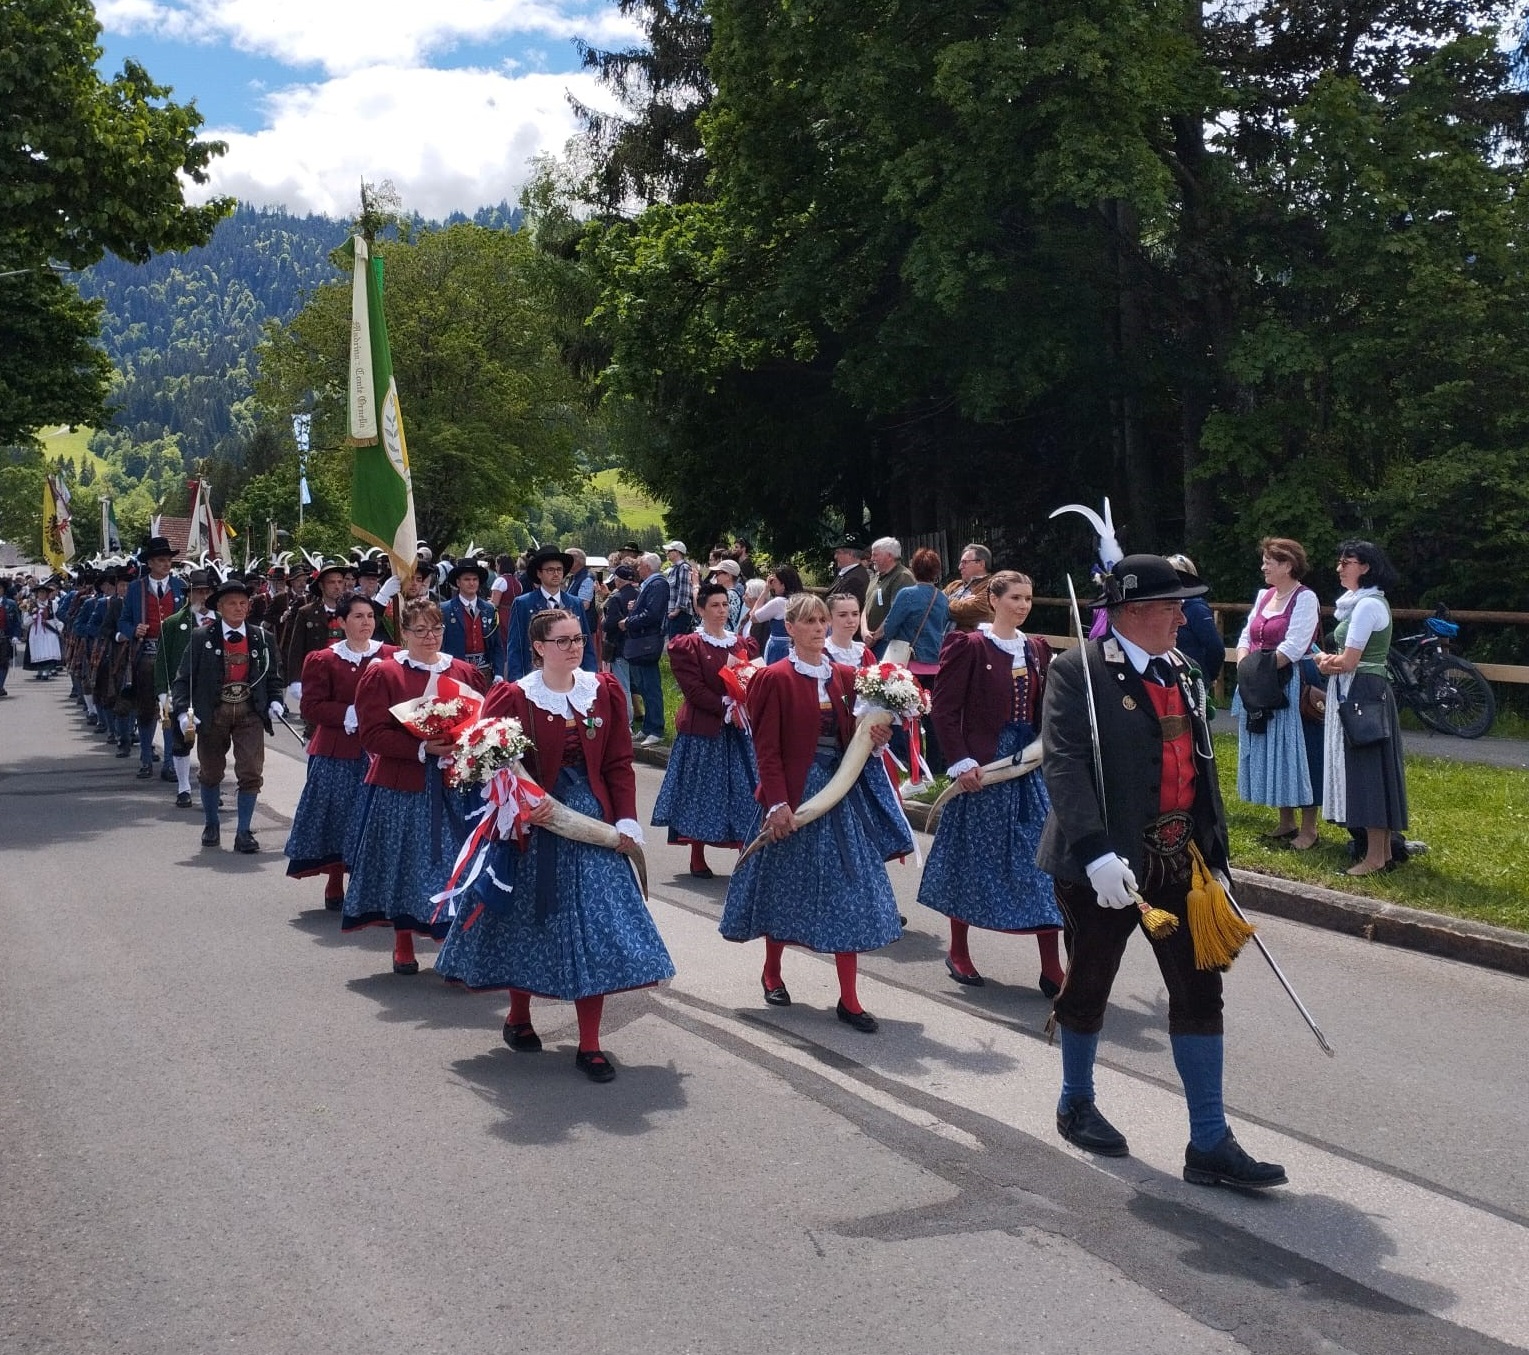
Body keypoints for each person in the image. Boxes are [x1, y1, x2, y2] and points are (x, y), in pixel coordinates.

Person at [1037, 553, 1287, 1189]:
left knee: (1202, 990)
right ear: (1133, 612)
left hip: (1181, 862)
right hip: (1103, 861)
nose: (1184, 615)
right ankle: (1076, 1101)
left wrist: (1219, 857)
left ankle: (1209, 1140)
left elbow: (1200, 769)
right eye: (1173, 604)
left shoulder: (1185, 671)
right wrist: (1093, 851)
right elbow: (1064, 766)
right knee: (1090, 980)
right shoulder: (1078, 671)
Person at [435, 608, 674, 1083]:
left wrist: (625, 817)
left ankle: (590, 1043)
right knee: (527, 922)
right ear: (539, 647)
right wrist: (522, 805)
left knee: (596, 925)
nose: (573, 647)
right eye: (562, 640)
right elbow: (491, 764)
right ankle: (518, 1015)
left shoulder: (602, 690)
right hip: (534, 821)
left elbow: (619, 761)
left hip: (592, 821)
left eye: (578, 638)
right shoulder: (512, 696)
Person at [719, 593, 912, 1033]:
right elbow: (765, 748)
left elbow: (855, 740)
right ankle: (772, 971)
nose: (818, 627)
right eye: (808, 621)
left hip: (839, 794)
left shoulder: (846, 676)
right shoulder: (774, 677)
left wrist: (876, 735)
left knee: (850, 890)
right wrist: (777, 803)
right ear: (790, 627)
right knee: (785, 887)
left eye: (822, 620)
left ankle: (849, 998)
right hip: (794, 796)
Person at [919, 571, 1065, 995]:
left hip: (1027, 768)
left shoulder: (1036, 648)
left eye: (1028, 599)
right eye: (1016, 597)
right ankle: (959, 950)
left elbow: (1045, 709)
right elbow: (943, 711)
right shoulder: (969, 645)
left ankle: (1051, 966)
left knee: (1043, 865)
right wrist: (962, 761)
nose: (1023, 605)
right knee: (972, 858)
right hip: (983, 766)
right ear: (994, 599)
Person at [343, 598, 490, 973]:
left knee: (460, 863)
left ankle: (454, 943)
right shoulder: (384, 674)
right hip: (404, 787)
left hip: (456, 785)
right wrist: (421, 746)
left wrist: (467, 744)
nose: (430, 637)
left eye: (436, 629)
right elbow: (372, 734)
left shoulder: (463, 672)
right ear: (404, 634)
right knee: (406, 863)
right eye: (420, 630)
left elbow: (483, 721)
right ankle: (403, 940)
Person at [283, 592, 397, 909]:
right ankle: (335, 880)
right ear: (342, 621)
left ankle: (369, 888)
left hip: (381, 752)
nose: (366, 623)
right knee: (338, 819)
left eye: (370, 617)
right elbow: (311, 706)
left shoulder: (391, 656)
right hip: (339, 753)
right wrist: (351, 714)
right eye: (358, 617)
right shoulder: (324, 660)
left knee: (377, 821)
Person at [652, 582, 761, 878]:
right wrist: (726, 706)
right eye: (715, 605)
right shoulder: (688, 645)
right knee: (702, 793)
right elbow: (694, 690)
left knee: (745, 791)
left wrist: (745, 703)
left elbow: (748, 677)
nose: (722, 611)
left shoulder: (740, 643)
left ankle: (746, 852)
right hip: (704, 730)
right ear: (700, 609)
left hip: (738, 730)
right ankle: (696, 854)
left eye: (725, 605)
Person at [171, 576, 286, 854]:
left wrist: (275, 700)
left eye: (243, 603)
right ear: (219, 607)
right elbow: (184, 678)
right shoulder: (201, 638)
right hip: (214, 712)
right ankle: (211, 823)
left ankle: (244, 831)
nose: (238, 608)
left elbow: (273, 675)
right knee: (210, 772)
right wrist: (183, 711)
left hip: (249, 712)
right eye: (232, 603)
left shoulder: (261, 637)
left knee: (250, 771)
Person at [1314, 541, 1409, 876]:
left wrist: (1326, 663)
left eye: (1347, 562)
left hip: (1363, 690)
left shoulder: (1368, 605)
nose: (1340, 567)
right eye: (1340, 561)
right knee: (1370, 770)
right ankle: (1379, 855)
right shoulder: (1363, 603)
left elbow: (1350, 660)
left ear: (1365, 567)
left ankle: (1374, 857)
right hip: (1362, 688)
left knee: (1368, 771)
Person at [1230, 539, 1322, 850]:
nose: (1264, 566)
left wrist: (1258, 669)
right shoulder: (1264, 596)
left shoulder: (1306, 598)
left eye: (1270, 561)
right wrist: (1245, 665)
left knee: (1299, 750)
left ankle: (1309, 829)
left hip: (1291, 683)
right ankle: (1286, 821)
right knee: (1272, 748)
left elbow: (1295, 646)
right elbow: (1247, 634)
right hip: (1259, 678)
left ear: (1288, 565)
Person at [116, 537, 187, 778]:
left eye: (168, 560)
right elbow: (123, 621)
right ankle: (146, 758)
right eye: (161, 560)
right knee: (146, 710)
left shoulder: (180, 587)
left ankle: (169, 762)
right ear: (150, 563)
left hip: (174, 655)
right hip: (146, 654)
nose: (166, 564)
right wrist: (134, 629)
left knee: (170, 709)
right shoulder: (137, 588)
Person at [879, 547, 950, 770]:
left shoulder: (907, 595)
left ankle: (907, 762)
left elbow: (890, 627)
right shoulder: (942, 598)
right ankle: (935, 765)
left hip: (910, 664)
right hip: (935, 665)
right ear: (937, 571)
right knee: (932, 718)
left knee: (903, 716)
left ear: (913, 568)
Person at [154, 569, 216, 807]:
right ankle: (183, 787)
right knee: (181, 740)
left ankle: (212, 786)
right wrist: (163, 693)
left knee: (213, 741)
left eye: (206, 591)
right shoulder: (172, 623)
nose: (202, 596)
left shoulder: (220, 621)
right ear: (189, 594)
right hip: (183, 690)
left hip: (211, 691)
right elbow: (162, 661)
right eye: (198, 591)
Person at [503, 546, 597, 683]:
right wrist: (516, 681)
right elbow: (515, 646)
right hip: (536, 675)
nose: (556, 574)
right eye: (550, 570)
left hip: (571, 676)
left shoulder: (574, 603)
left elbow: (585, 644)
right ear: (539, 573)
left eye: (559, 569)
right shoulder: (523, 603)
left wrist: (591, 677)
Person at [283, 560, 349, 710]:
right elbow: (296, 649)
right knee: (314, 724)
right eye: (332, 582)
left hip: (346, 676)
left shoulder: (351, 611)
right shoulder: (306, 612)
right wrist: (295, 680)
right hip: (316, 677)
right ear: (321, 585)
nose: (337, 586)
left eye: (340, 581)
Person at [621, 552, 669, 746]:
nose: (637, 570)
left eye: (640, 566)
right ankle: (648, 726)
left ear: (647, 567)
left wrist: (629, 621)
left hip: (647, 641)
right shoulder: (651, 584)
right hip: (642, 641)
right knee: (643, 685)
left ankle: (656, 728)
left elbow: (653, 614)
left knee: (651, 686)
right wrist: (635, 608)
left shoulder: (657, 584)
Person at [1164, 554, 1228, 690]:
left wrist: (1207, 676)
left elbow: (1215, 647)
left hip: (1192, 677)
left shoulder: (1196, 608)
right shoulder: (1164, 607)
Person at [440, 557, 504, 683]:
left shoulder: (489, 609)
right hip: (456, 671)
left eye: (475, 579)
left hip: (485, 672)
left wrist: (499, 673)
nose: (472, 583)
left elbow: (497, 645)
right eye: (467, 579)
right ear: (458, 583)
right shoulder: (445, 609)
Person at [861, 537, 916, 657]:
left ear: (889, 556)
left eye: (875, 555)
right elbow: (867, 605)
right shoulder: (876, 577)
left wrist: (875, 637)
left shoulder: (902, 577)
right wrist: (864, 631)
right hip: (872, 642)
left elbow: (896, 613)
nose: (872, 559)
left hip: (888, 644)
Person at [750, 565, 805, 667]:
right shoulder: (802, 601)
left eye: (774, 582)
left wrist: (765, 590)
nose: (773, 585)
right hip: (797, 646)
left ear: (783, 584)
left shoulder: (779, 602)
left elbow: (753, 617)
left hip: (778, 648)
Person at [943, 543, 995, 632]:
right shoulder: (955, 585)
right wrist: (962, 603)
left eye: (964, 562)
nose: (960, 567)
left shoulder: (992, 586)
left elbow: (976, 610)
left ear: (981, 564)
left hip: (969, 643)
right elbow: (933, 604)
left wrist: (947, 601)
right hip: (943, 643)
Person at [662, 540, 698, 639]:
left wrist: (676, 611)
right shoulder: (673, 569)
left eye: (669, 551)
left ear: (677, 552)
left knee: (678, 646)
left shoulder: (684, 567)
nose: (667, 553)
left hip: (681, 614)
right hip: (673, 614)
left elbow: (684, 591)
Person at [824, 592, 866, 667]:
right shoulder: (821, 653)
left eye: (855, 614)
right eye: (843, 615)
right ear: (829, 619)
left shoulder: (864, 652)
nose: (851, 620)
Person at [825, 534, 870, 604]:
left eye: (838, 552)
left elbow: (848, 608)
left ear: (850, 554)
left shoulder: (855, 580)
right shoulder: (849, 573)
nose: (835, 557)